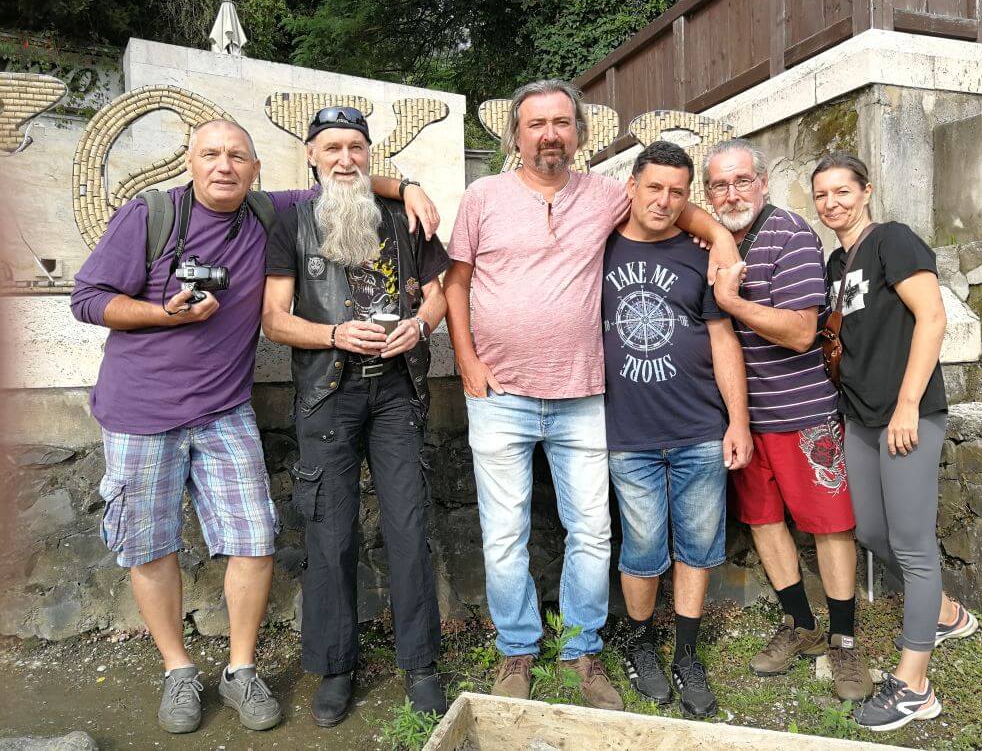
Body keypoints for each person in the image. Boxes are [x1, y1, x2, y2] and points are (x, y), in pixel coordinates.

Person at [70, 116, 439, 735]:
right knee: (150, 545)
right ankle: (177, 670)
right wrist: (164, 314)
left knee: (255, 539)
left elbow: (345, 175)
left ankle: (241, 670)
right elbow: (86, 299)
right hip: (140, 410)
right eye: (211, 154)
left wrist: (408, 187)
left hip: (224, 409)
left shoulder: (269, 213)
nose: (224, 166)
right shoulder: (150, 216)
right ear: (190, 162)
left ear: (257, 168)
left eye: (237, 156)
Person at [444, 79, 736, 710]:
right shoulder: (483, 196)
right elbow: (456, 282)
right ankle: (516, 649)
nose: (549, 135)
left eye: (561, 123)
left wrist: (723, 238)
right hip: (499, 394)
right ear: (515, 134)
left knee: (593, 532)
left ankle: (582, 649)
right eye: (536, 124)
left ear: (578, 133)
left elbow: (674, 206)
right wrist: (466, 359)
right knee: (503, 534)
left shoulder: (604, 194)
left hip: (581, 396)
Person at [262, 107, 450, 725]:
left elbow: (439, 293)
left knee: (409, 527)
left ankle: (420, 664)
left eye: (356, 148)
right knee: (330, 533)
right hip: (327, 396)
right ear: (312, 155)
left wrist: (421, 326)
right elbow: (274, 319)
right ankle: (335, 666)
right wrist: (334, 334)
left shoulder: (404, 214)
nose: (346, 159)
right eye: (332, 148)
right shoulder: (291, 221)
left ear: (370, 154)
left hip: (397, 392)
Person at [812, 152, 978, 732]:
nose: (832, 203)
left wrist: (908, 404)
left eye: (842, 191)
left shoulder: (894, 240)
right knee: (870, 531)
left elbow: (932, 318)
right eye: (822, 194)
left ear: (866, 191)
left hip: (907, 415)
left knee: (911, 544)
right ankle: (946, 614)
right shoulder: (837, 262)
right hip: (860, 419)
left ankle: (914, 687)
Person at [706, 139, 872, 702]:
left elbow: (802, 332)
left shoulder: (791, 234)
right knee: (764, 521)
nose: (732, 194)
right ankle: (801, 625)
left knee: (830, 525)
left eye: (742, 181)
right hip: (743, 418)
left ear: (763, 183)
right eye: (719, 185)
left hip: (804, 415)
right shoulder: (717, 238)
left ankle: (844, 641)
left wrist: (732, 302)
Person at [602, 141, 752, 718]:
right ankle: (641, 644)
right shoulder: (600, 246)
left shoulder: (698, 256)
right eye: (654, 188)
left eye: (677, 192)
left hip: (699, 428)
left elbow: (723, 339)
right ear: (631, 187)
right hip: (629, 433)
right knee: (641, 547)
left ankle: (686, 654)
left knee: (699, 543)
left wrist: (737, 420)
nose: (664, 201)